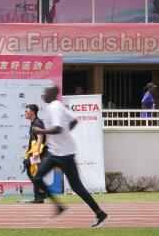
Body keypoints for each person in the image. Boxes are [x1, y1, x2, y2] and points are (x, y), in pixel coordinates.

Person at [28, 85, 109, 227]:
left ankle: (99, 213)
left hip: (62, 154)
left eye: (46, 93)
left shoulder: (54, 107)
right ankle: (62, 207)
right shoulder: (59, 106)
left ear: (52, 94)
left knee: (74, 186)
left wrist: (40, 130)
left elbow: (58, 129)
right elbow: (74, 121)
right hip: (57, 151)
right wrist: (65, 136)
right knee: (39, 178)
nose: (43, 95)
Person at [24, 104, 47, 203]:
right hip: (33, 151)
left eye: (27, 111)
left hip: (38, 151)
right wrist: (26, 152)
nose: (25, 113)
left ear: (32, 112)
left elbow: (40, 138)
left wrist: (36, 152)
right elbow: (31, 139)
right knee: (32, 171)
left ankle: (41, 195)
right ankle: (41, 194)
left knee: (33, 172)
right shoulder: (33, 123)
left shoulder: (38, 122)